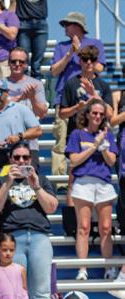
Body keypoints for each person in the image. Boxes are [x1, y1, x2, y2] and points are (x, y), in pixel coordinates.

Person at [0, 141, 58, 299]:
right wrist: (7, 183)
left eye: (25, 157)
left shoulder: (40, 179)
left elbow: (51, 207)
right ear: (10, 159)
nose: (21, 161)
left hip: (39, 237)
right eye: (16, 157)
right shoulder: (2, 179)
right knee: (14, 294)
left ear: (31, 160)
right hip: (12, 240)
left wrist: (37, 187)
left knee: (41, 294)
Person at [66, 99, 118, 281]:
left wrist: (103, 148)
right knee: (84, 228)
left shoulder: (107, 135)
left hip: (103, 183)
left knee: (106, 228)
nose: (97, 116)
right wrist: (95, 146)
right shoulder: (77, 134)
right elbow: (73, 161)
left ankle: (109, 268)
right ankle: (82, 269)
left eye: (101, 114)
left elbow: (111, 161)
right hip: (83, 183)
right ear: (87, 114)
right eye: (94, 113)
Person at [50, 11, 106, 177]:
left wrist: (80, 51)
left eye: (68, 24)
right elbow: (54, 71)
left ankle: (91, 174)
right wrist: (70, 53)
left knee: (89, 138)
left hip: (90, 99)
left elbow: (100, 68)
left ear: (78, 26)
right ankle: (60, 182)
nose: (65, 28)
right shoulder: (61, 46)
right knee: (61, 142)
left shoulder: (96, 44)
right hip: (64, 98)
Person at [0, 78, 43, 168]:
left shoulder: (21, 109)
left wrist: (19, 136)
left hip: (19, 158)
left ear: (7, 92)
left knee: (22, 177)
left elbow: (38, 131)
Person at [58, 45, 113, 143]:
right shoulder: (70, 83)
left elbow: (110, 114)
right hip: (76, 135)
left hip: (99, 136)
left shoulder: (104, 85)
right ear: (80, 61)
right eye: (85, 59)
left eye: (92, 59)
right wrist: (77, 108)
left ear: (97, 62)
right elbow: (62, 114)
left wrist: (95, 95)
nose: (89, 62)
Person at [6, 47, 48, 119]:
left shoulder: (36, 84)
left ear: (26, 64)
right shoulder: (0, 84)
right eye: (13, 61)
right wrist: (19, 98)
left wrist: (32, 99)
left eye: (21, 62)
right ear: (8, 63)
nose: (17, 64)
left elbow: (41, 114)